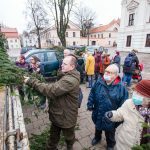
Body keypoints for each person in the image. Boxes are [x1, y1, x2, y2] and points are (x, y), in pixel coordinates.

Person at [24, 55, 80, 150]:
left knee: (69, 136)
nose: (61, 65)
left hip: (67, 116)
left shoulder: (70, 80)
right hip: (58, 113)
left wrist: (31, 81)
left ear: (72, 67)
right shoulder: (66, 75)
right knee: (53, 137)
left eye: (65, 64)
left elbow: (51, 90)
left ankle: (70, 146)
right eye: (62, 63)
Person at [87, 64, 128, 150]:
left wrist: (120, 118)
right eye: (106, 71)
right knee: (97, 126)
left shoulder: (122, 88)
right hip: (98, 112)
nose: (106, 74)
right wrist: (90, 104)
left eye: (109, 72)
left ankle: (110, 144)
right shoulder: (99, 82)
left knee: (110, 131)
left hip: (111, 116)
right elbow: (92, 93)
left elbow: (124, 105)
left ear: (116, 75)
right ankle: (97, 138)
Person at [105, 80, 150, 150]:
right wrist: (112, 114)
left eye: (139, 93)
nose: (134, 94)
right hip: (124, 143)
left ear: (148, 98)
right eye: (135, 91)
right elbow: (120, 113)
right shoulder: (129, 103)